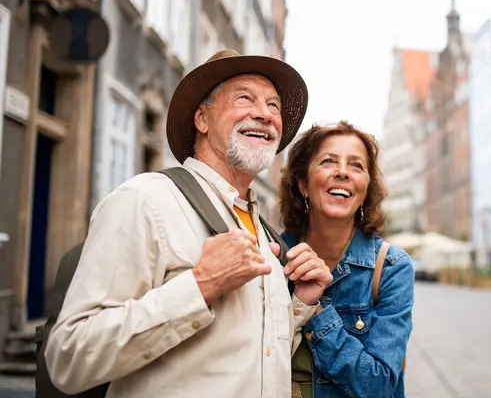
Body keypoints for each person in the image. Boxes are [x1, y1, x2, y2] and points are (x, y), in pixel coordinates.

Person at [44, 50, 333, 397]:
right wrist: (201, 285)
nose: (265, 114)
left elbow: (248, 364)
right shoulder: (145, 200)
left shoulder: (264, 234)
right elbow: (69, 357)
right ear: (201, 119)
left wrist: (298, 304)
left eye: (274, 106)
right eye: (245, 98)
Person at [278, 121, 414, 398]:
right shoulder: (273, 258)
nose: (342, 172)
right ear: (303, 184)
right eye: (328, 161)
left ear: (366, 190)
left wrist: (315, 311)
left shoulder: (391, 268)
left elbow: (379, 385)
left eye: (356, 165)